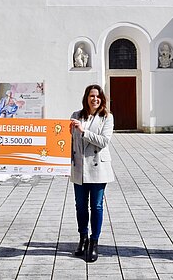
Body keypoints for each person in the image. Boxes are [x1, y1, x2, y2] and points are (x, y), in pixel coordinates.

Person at [69, 84, 114, 262]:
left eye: (98, 96)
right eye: (91, 96)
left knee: (96, 206)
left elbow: (103, 141)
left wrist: (83, 131)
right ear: (86, 98)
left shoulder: (107, 117)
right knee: (80, 205)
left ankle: (94, 242)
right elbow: (68, 141)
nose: (94, 99)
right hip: (79, 166)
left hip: (98, 167)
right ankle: (83, 238)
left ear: (102, 99)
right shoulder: (75, 116)